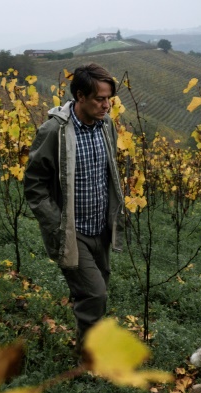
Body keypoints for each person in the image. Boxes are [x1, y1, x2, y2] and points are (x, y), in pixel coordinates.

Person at [24, 63, 125, 354]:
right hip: (72, 231)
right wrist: (55, 223)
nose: (106, 105)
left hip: (100, 229)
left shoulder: (106, 126)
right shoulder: (54, 130)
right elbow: (34, 184)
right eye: (99, 99)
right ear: (80, 96)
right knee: (95, 294)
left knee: (94, 294)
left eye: (109, 99)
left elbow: (107, 173)